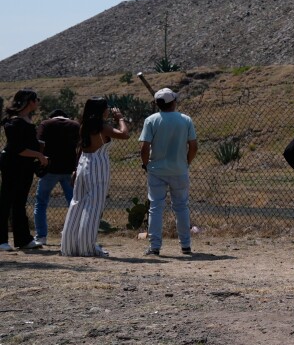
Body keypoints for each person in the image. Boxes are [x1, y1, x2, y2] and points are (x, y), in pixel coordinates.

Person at [60, 98, 129, 257]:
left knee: (76, 204)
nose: (108, 110)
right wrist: (120, 119)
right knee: (93, 207)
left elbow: (80, 148)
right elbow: (124, 134)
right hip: (97, 165)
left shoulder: (83, 125)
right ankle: (86, 248)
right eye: (106, 108)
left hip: (83, 163)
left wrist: (75, 170)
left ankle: (68, 247)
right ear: (101, 110)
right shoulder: (102, 127)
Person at [139, 88, 197, 256]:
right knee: (181, 207)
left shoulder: (151, 120)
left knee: (155, 207)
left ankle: (154, 246)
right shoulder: (185, 120)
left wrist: (146, 164)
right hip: (179, 169)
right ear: (173, 102)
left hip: (156, 170)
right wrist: (186, 163)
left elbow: (144, 148)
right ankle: (185, 245)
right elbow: (193, 146)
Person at [0, 89, 47, 251]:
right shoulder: (15, 122)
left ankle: (23, 239)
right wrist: (39, 155)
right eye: (36, 99)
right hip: (12, 165)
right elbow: (18, 148)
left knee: (20, 202)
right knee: (6, 201)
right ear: (29, 101)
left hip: (24, 166)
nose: (38, 102)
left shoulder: (26, 120)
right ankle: (1, 240)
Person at [33, 109, 81, 246]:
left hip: (50, 168)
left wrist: (40, 159)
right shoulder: (75, 125)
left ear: (51, 117)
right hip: (69, 169)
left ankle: (41, 236)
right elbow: (81, 146)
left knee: (41, 202)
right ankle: (73, 234)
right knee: (73, 203)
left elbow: (40, 143)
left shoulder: (46, 124)